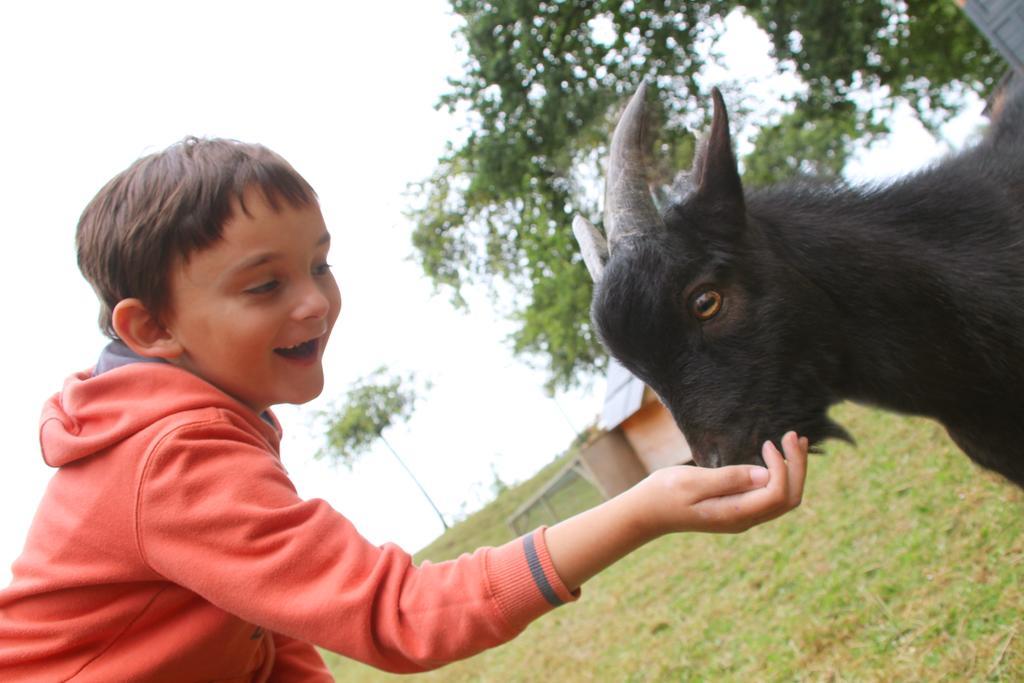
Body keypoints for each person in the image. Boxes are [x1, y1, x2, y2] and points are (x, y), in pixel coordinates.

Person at [0, 137, 809, 681]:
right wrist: (641, 512)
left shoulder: (190, 427)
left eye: (320, 263)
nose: (315, 301)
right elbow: (399, 614)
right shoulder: (172, 457)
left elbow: (270, 635)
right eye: (264, 285)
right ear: (153, 327)